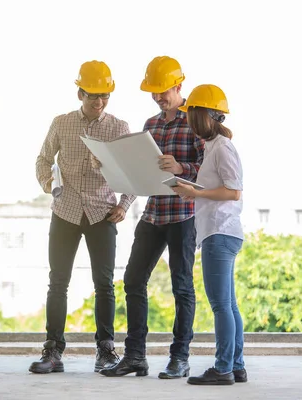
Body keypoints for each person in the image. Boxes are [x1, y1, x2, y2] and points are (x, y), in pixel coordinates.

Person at [101, 56, 205, 378]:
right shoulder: (151, 125)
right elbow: (141, 172)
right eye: (154, 92)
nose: (159, 97)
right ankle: (135, 357)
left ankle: (180, 357)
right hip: (154, 213)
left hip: (183, 215)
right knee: (133, 279)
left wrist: (181, 168)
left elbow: (211, 172)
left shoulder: (196, 122)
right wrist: (123, 191)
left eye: (164, 91)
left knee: (182, 286)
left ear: (178, 85)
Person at [30, 60, 137, 374]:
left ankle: (105, 352)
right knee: (58, 283)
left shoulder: (119, 128)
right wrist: (50, 185)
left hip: (102, 213)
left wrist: (124, 205)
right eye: (93, 95)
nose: (99, 101)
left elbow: (132, 172)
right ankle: (52, 352)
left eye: (104, 95)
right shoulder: (62, 123)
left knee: (104, 285)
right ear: (80, 93)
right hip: (65, 211)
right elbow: (43, 158)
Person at [172, 84, 246, 385]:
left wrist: (194, 191)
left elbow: (234, 190)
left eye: (190, 115)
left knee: (220, 305)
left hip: (220, 232)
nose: (188, 121)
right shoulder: (212, 147)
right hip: (219, 232)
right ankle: (236, 365)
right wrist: (193, 192)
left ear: (202, 115)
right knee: (229, 304)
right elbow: (218, 189)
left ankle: (223, 368)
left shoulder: (222, 147)